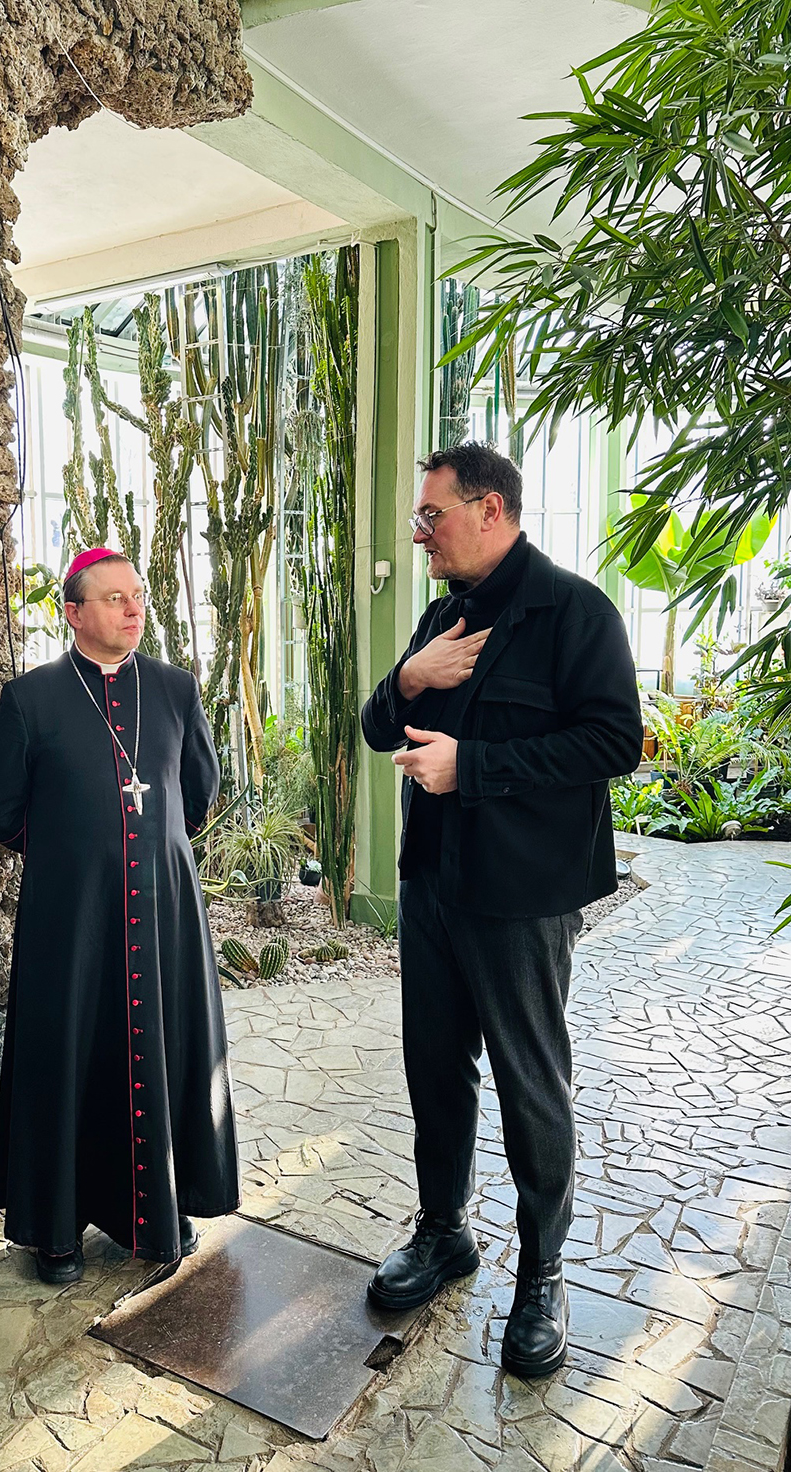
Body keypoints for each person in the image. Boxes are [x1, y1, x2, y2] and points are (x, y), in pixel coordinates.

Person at [361, 443, 643, 1378]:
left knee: (530, 1084)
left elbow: (614, 741)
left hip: (520, 897)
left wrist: (470, 766)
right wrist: (411, 677)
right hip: (433, 885)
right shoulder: (443, 616)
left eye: (431, 514)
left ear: (490, 509)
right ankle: (443, 1233)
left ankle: (542, 1272)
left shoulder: (575, 612)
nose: (419, 532)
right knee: (434, 1070)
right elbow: (376, 726)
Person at [0, 548, 239, 1283]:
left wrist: (152, 847)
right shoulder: (32, 698)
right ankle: (56, 1228)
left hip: (166, 912)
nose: (133, 608)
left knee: (167, 1048)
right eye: (114, 597)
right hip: (71, 918)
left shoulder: (175, 689)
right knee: (68, 1053)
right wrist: (69, 854)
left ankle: (162, 1206)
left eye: (138, 595)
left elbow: (199, 789)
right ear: (74, 612)